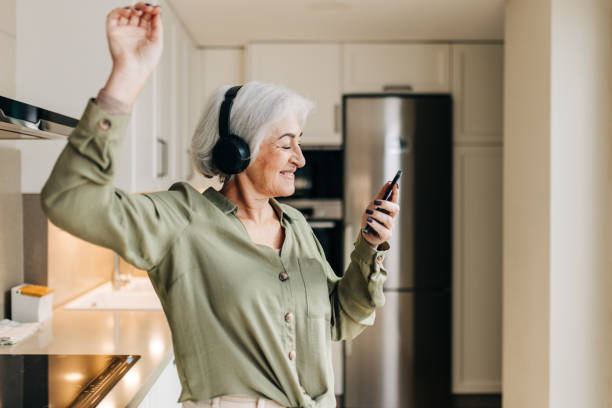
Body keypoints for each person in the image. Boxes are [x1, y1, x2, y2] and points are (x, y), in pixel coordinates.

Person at [41, 3, 400, 408]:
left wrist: (369, 246)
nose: (300, 158)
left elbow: (340, 319)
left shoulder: (296, 225)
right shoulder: (182, 220)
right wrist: (127, 77)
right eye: (286, 143)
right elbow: (71, 199)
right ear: (238, 151)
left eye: (299, 142)